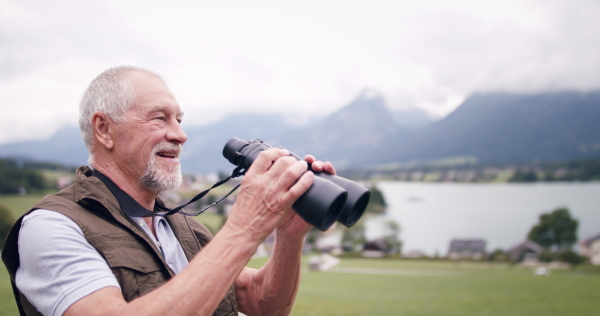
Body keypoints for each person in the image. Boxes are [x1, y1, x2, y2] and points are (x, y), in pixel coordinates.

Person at [2, 66, 337, 315]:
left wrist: (289, 235)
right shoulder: (52, 227)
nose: (180, 134)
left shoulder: (182, 226)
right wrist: (246, 226)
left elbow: (262, 301)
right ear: (104, 129)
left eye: (179, 119)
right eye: (159, 118)